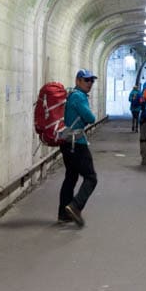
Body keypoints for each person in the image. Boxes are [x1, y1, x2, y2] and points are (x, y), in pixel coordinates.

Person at [58, 69, 99, 226]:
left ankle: (63, 213)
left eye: (91, 81)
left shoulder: (72, 95)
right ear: (78, 81)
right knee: (91, 178)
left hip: (66, 142)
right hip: (77, 143)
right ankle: (75, 206)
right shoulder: (78, 97)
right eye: (86, 80)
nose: (90, 83)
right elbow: (90, 117)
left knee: (71, 177)